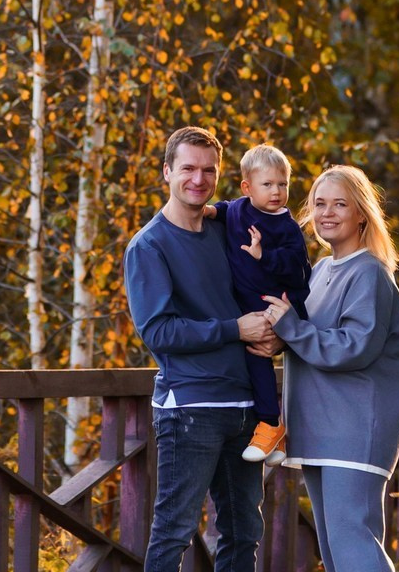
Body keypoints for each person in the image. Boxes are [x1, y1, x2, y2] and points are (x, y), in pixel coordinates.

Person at [124, 125, 279, 572]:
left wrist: (273, 330)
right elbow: (159, 332)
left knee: (244, 533)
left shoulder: (225, 229)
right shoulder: (149, 246)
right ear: (167, 172)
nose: (198, 178)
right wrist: (235, 330)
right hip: (190, 408)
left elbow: (258, 285)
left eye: (208, 170)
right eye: (188, 168)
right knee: (174, 532)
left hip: (246, 406)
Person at [261, 164, 399, 572]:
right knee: (334, 551)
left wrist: (291, 327)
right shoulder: (324, 269)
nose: (327, 212)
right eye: (320, 203)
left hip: (354, 429)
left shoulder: (369, 273)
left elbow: (354, 347)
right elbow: (306, 337)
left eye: (340, 204)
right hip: (318, 428)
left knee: (353, 545)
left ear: (361, 213)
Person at [206, 142, 312, 464]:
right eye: (268, 185)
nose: (277, 192)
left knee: (258, 359)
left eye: (283, 184)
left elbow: (299, 267)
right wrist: (210, 211)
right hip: (245, 302)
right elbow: (225, 209)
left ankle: (269, 423)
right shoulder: (239, 208)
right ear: (247, 187)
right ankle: (276, 441)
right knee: (249, 361)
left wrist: (264, 255)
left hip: (273, 303)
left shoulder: (286, 227)